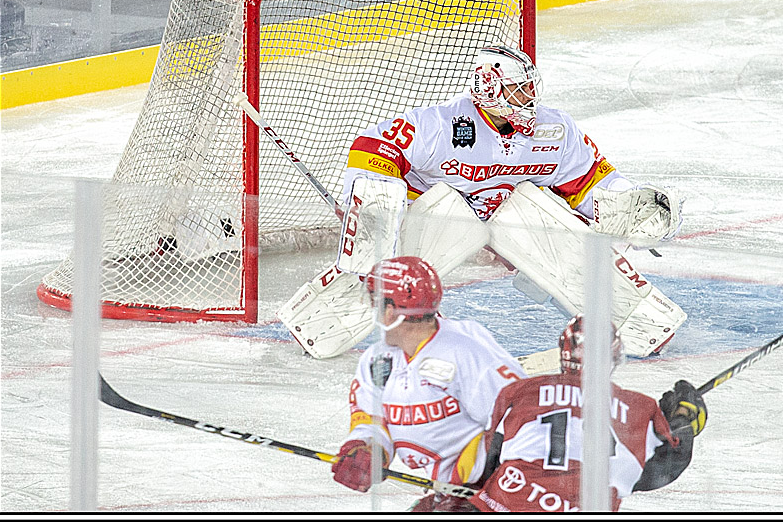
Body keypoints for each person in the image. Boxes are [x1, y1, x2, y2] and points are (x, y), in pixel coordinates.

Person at [279, 44, 687, 360]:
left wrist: (628, 202)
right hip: (442, 221)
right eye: (518, 89)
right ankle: (318, 324)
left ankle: (640, 323)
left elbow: (591, 180)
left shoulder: (554, 130)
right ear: (491, 89)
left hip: (512, 220)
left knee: (539, 214)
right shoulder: (440, 125)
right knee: (389, 261)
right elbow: (372, 147)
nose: (529, 96)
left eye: (530, 87)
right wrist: (375, 203)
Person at [330, 255, 527, 512]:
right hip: (450, 492)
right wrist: (369, 451)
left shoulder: (466, 351)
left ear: (389, 311)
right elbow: (371, 418)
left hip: (495, 490)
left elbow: (523, 418)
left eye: (374, 303)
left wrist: (486, 495)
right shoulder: (377, 360)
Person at [471, 314, 707, 513]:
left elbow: (487, 459)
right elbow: (664, 467)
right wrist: (683, 416)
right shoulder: (639, 409)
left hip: (502, 504)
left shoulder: (519, 392)